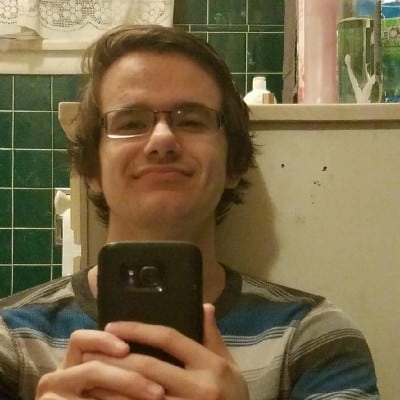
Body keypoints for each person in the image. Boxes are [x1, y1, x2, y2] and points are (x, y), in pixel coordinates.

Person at [0, 25, 379, 400]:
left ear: (233, 164)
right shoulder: (10, 338)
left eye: (191, 120)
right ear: (92, 171)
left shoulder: (314, 337)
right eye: (130, 123)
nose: (162, 139)